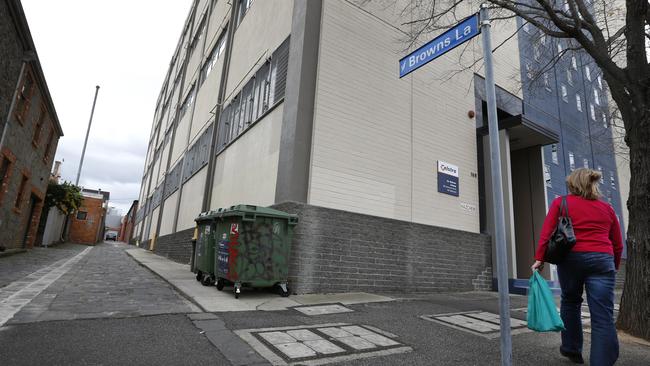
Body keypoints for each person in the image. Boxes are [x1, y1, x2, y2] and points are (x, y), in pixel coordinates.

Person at [531, 168, 623, 365]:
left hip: (571, 259)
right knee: (602, 315)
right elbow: (618, 243)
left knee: (571, 301)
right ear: (592, 184)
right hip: (602, 260)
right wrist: (613, 266)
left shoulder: (561, 203)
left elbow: (546, 232)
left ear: (572, 184)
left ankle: (572, 349)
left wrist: (540, 258)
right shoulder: (607, 208)